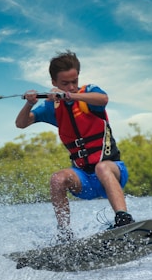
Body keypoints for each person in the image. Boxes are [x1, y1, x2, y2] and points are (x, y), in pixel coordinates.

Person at [15, 50, 133, 242]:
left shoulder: (88, 94)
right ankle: (65, 234)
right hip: (84, 180)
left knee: (102, 167)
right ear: (54, 83)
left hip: (112, 172)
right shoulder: (52, 108)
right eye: (65, 83)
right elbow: (21, 123)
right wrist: (30, 103)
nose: (71, 86)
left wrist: (71, 95)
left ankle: (124, 220)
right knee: (57, 179)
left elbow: (103, 99)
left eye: (74, 81)